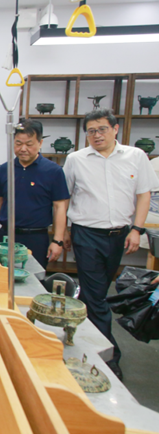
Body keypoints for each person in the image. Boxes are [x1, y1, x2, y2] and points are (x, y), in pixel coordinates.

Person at [63, 109, 159, 381]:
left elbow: (144, 194)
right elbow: (65, 197)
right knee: (97, 297)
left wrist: (136, 229)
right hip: (85, 234)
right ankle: (109, 357)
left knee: (95, 293)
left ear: (115, 129)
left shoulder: (135, 156)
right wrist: (64, 231)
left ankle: (76, 335)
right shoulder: (75, 159)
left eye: (102, 129)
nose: (96, 135)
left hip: (119, 235)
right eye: (91, 131)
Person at [0, 119, 69, 270]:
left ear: (40, 143)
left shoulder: (53, 171)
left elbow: (59, 207)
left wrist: (58, 240)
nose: (23, 149)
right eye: (18, 143)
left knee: (34, 277)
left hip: (36, 237)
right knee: (3, 276)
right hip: (7, 236)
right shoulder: (5, 169)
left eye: (29, 144)